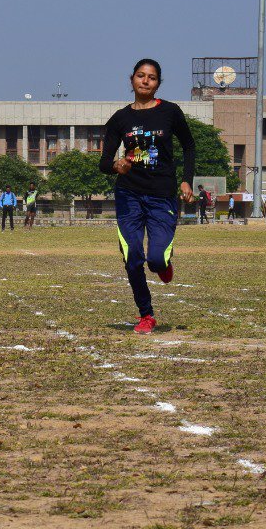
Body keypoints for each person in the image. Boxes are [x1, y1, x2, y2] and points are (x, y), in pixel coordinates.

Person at [99, 58, 195, 335]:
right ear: (132, 79)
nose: (145, 80)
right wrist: (116, 165)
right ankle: (146, 315)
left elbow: (188, 146)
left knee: (155, 259)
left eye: (151, 77)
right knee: (132, 256)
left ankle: (164, 264)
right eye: (140, 75)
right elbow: (104, 162)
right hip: (128, 194)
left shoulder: (170, 112)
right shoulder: (120, 119)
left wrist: (187, 180)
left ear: (157, 83)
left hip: (162, 195)